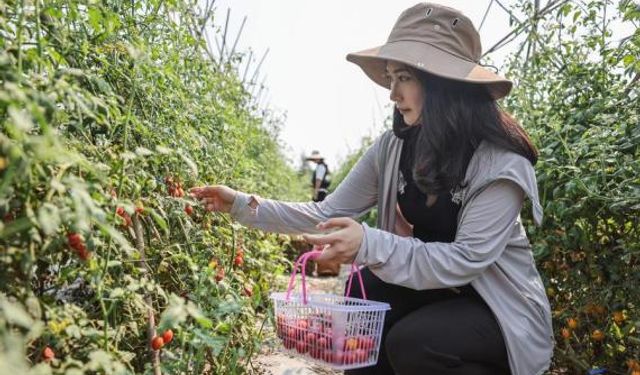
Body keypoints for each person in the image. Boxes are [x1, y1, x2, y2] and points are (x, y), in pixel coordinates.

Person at [190, 3, 554, 375]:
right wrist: (242, 204)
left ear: (444, 83)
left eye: (404, 78)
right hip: (433, 287)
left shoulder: (500, 165)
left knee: (415, 343)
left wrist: (369, 243)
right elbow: (326, 213)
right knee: (365, 293)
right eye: (391, 78)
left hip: (494, 307)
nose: (392, 94)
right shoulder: (393, 148)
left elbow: (465, 261)